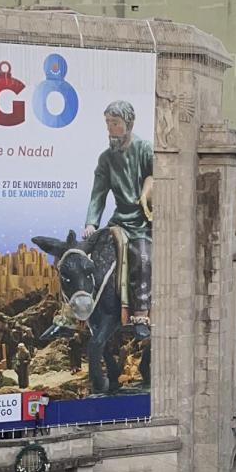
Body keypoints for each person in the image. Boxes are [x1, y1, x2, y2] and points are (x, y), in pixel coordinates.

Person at [84, 100, 154, 340]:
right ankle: (78, 312)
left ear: (128, 124)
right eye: (108, 123)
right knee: (89, 254)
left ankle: (141, 314)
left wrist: (147, 196)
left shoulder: (145, 149)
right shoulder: (105, 159)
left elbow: (157, 177)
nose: (110, 128)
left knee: (142, 256)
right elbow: (98, 194)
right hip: (118, 221)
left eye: (115, 123)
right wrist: (91, 223)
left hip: (142, 222)